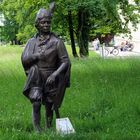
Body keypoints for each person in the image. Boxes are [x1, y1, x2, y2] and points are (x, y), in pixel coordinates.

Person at [21, 2, 71, 132]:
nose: (46, 25)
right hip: (36, 76)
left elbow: (65, 61)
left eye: (48, 22)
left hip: (51, 77)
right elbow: (24, 59)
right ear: (37, 24)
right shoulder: (31, 42)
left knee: (49, 104)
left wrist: (55, 75)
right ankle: (37, 128)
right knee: (36, 102)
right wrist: (35, 56)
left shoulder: (57, 42)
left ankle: (49, 126)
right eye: (43, 23)